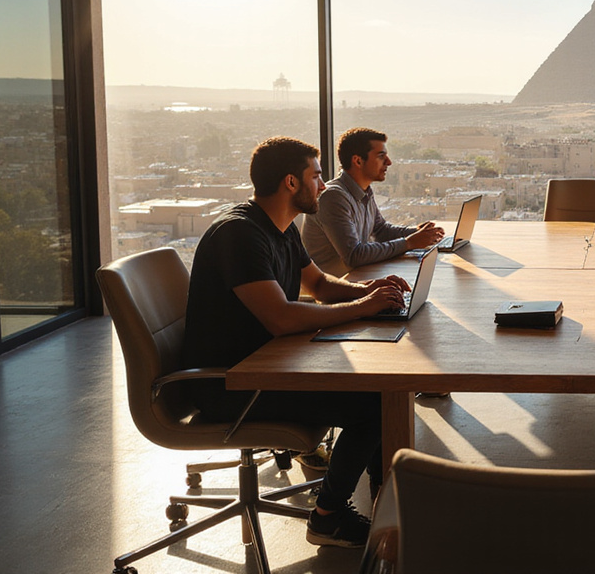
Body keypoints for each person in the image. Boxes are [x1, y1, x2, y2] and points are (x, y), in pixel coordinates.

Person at [184, 136, 413, 548]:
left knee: (381, 386)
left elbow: (321, 285)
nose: (323, 186)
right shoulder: (241, 234)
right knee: (376, 404)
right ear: (292, 182)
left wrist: (370, 291)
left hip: (266, 364)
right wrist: (363, 307)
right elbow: (281, 317)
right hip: (231, 384)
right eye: (317, 176)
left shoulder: (280, 227)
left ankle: (386, 504)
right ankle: (328, 519)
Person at [301, 127, 445, 277]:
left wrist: (421, 234)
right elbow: (354, 256)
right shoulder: (333, 197)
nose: (389, 162)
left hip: (359, 277)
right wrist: (409, 243)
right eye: (381, 156)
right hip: (335, 288)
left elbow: (381, 230)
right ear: (357, 161)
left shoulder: (364, 191)